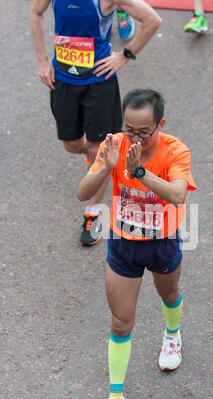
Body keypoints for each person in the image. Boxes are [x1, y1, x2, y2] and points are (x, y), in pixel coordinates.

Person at [77, 89, 197, 399]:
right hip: (124, 245)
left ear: (160, 124)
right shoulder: (113, 145)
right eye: (129, 129)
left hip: (162, 243)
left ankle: (172, 333)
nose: (135, 138)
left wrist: (140, 172)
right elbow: (82, 194)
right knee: (120, 323)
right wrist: (107, 169)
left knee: (169, 294)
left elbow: (176, 195)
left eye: (143, 132)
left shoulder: (176, 151)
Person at [29, 0, 161, 246]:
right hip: (63, 80)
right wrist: (42, 60)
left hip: (98, 83)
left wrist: (123, 56)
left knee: (96, 147)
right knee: (71, 144)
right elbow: (36, 12)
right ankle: (97, 158)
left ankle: (94, 211)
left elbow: (153, 20)